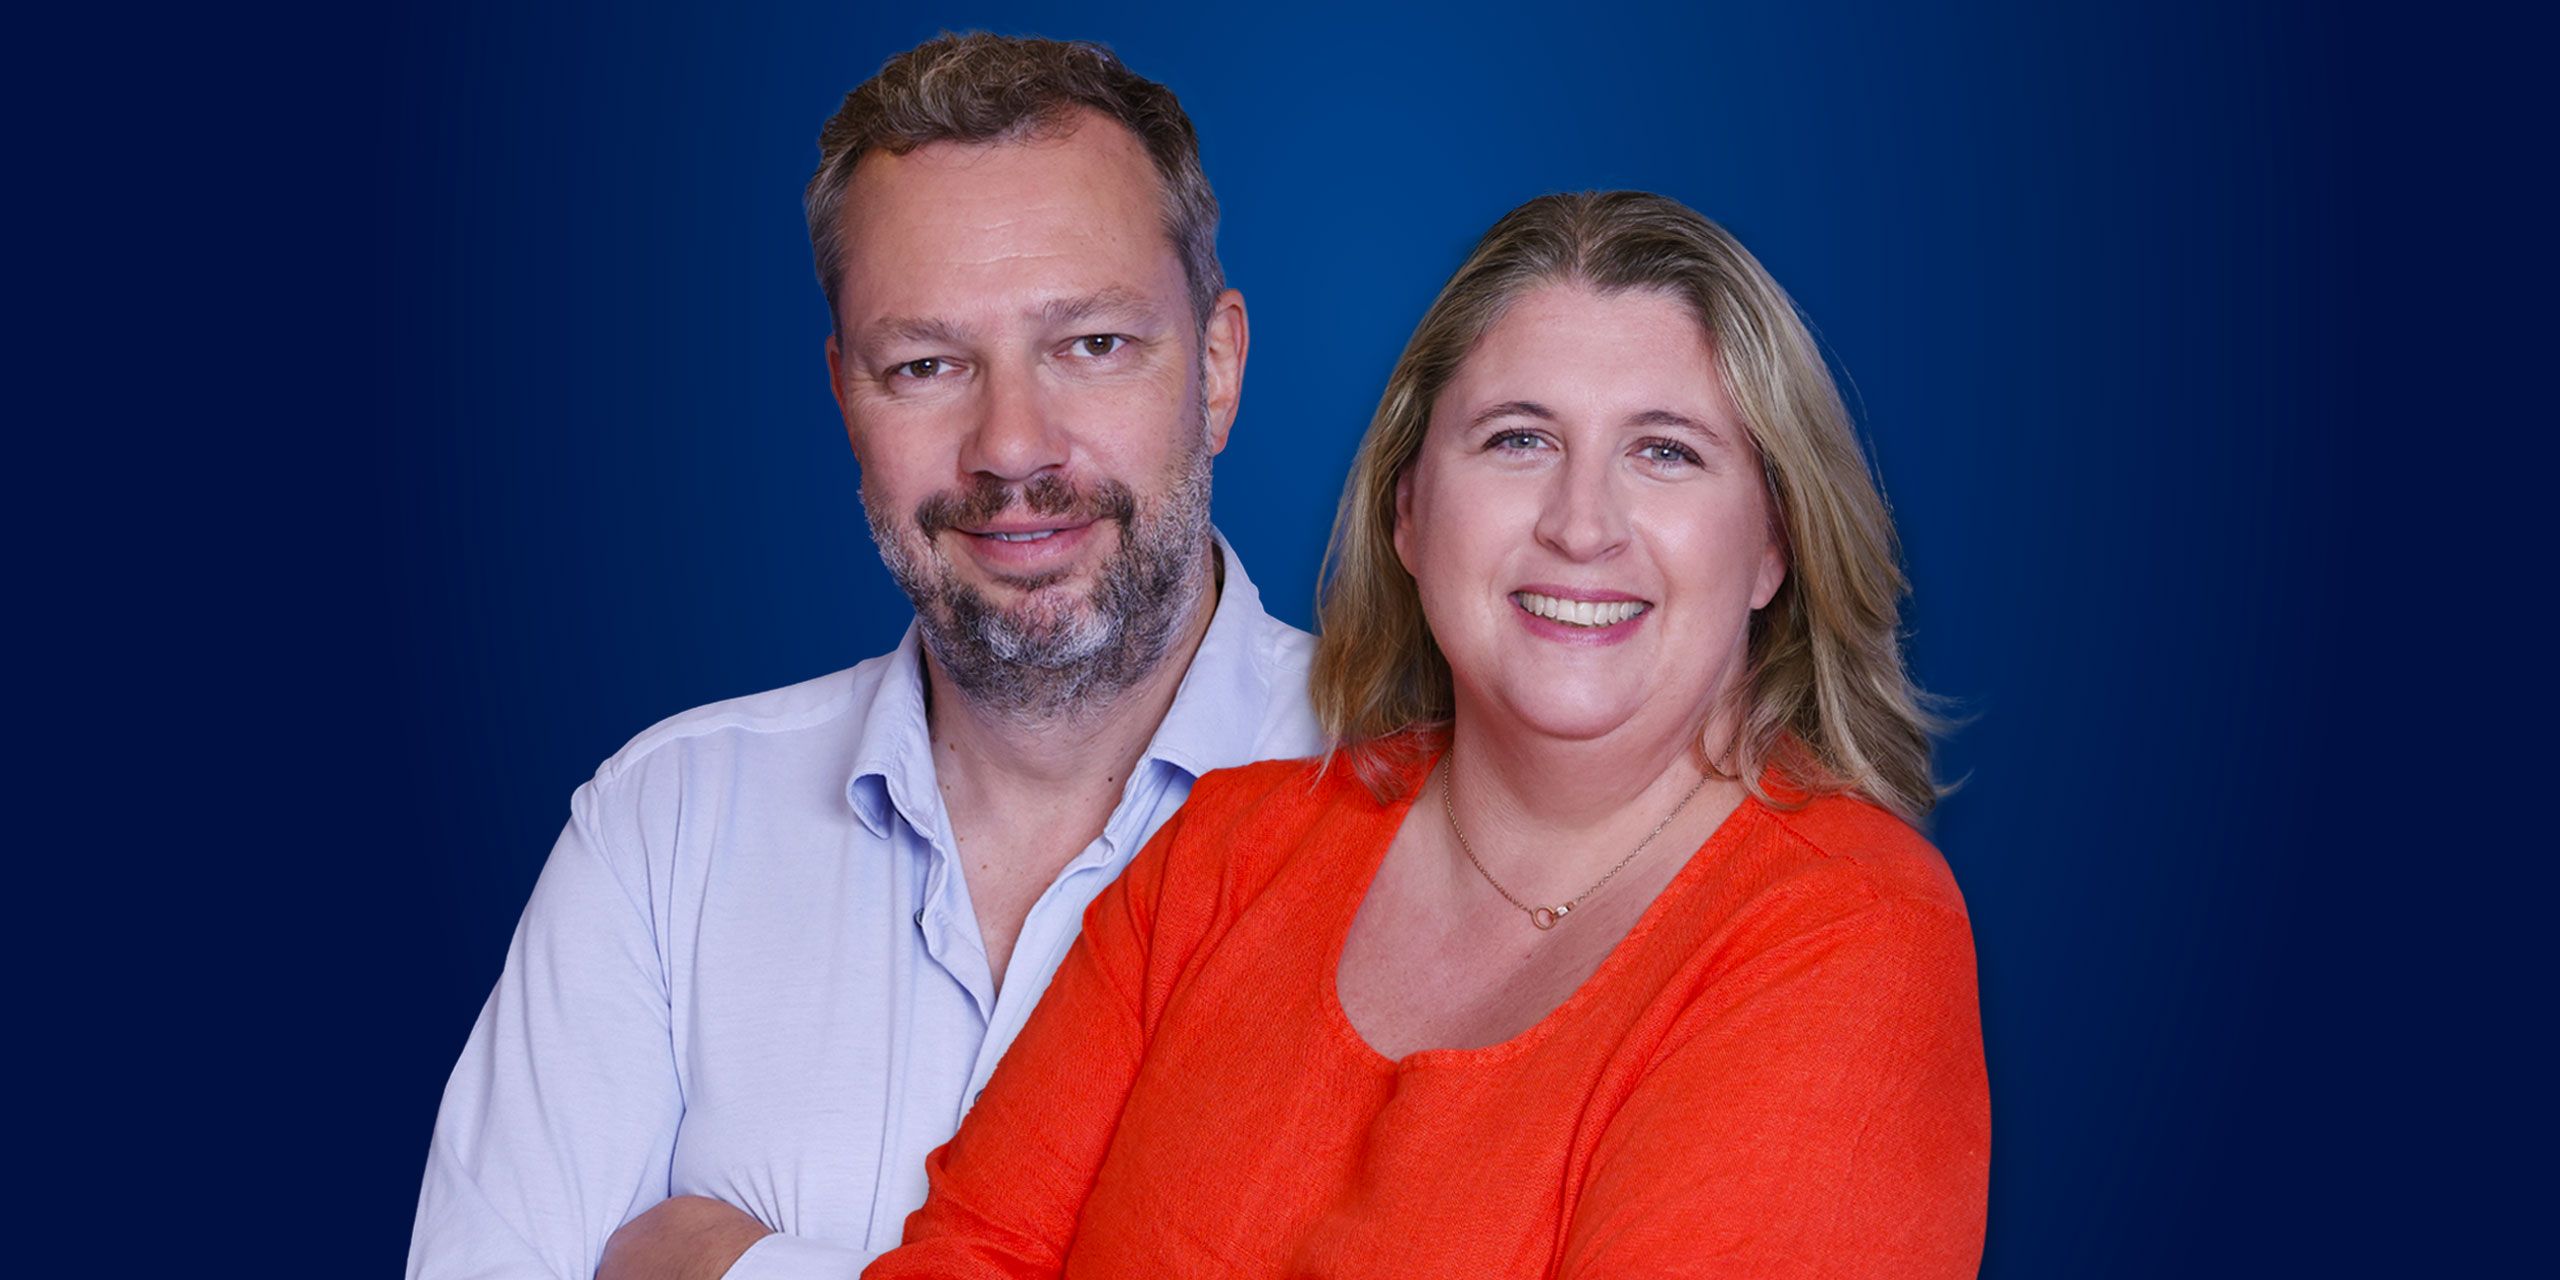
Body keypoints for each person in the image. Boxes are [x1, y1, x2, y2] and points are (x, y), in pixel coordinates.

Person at [864, 191, 1990, 1278]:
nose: (1581, 525)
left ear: (1772, 544)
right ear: (1407, 511)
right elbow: (968, 1255)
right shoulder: (1222, 855)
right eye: (1518, 439)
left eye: (1666, 452)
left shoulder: (1850, 932)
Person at [405, 35, 1323, 1280]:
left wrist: (728, 1264)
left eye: (1091, 344)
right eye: (926, 365)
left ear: (1215, 366)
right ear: (846, 395)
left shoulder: (1433, 806)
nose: (1012, 446)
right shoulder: (666, 831)